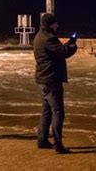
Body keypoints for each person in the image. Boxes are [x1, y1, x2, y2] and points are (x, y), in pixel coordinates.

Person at [33, 13, 77, 154]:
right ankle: (58, 144)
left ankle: (42, 140)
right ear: (51, 24)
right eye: (56, 23)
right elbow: (63, 53)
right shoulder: (49, 38)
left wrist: (68, 44)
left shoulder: (40, 36)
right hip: (51, 79)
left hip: (43, 78)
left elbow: (56, 51)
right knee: (58, 112)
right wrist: (73, 45)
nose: (57, 25)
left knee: (46, 111)